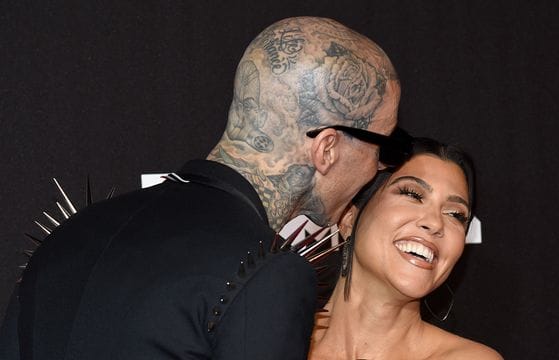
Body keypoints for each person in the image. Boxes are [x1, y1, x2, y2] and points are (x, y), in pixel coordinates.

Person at [0, 17, 405, 359]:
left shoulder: (73, 231)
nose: (378, 166)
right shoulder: (268, 270)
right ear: (327, 148)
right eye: (382, 144)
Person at [309, 137, 503, 359]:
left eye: (455, 214)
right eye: (412, 194)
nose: (435, 223)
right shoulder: (274, 339)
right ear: (348, 219)